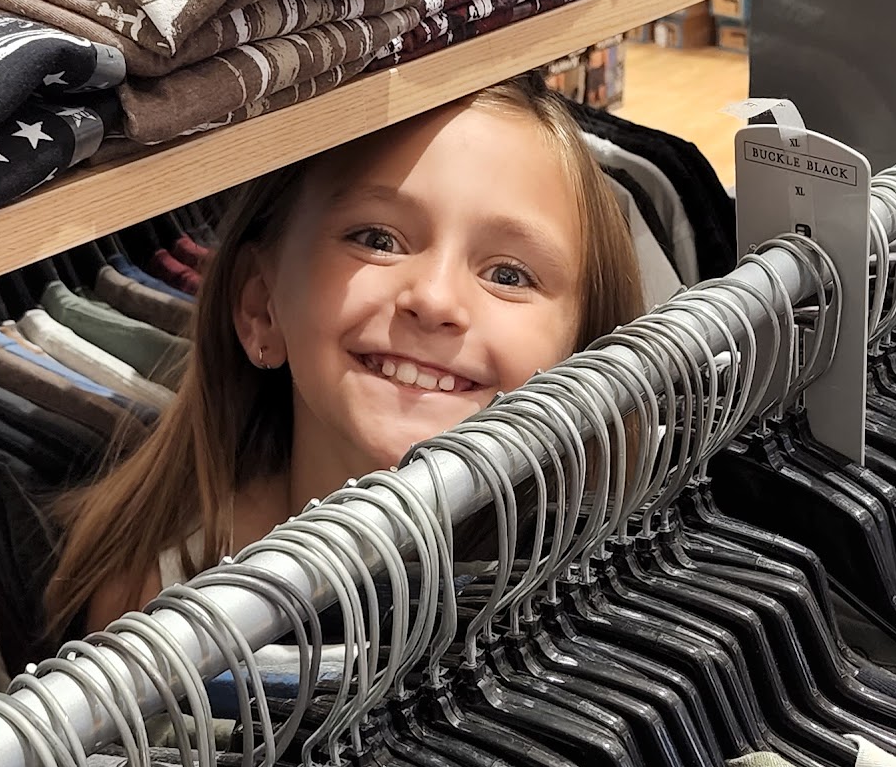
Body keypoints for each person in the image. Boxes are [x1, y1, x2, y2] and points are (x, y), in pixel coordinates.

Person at [47, 75, 645, 635]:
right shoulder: (151, 598)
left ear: (582, 348)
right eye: (378, 240)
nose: (434, 300)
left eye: (509, 275)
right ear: (262, 306)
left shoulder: (613, 589)